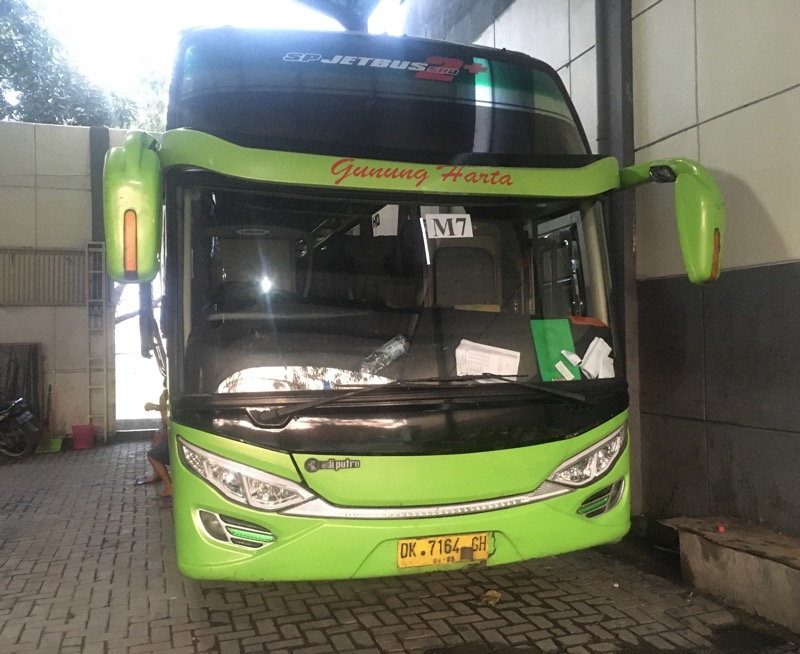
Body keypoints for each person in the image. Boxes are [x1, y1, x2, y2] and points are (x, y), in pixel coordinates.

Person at [135, 388, 173, 508]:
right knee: (158, 438)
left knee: (152, 454)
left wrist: (157, 406)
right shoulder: (166, 395)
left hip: (176, 428)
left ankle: (169, 487)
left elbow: (166, 421)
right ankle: (156, 474)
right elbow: (165, 423)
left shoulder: (175, 396)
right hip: (168, 427)